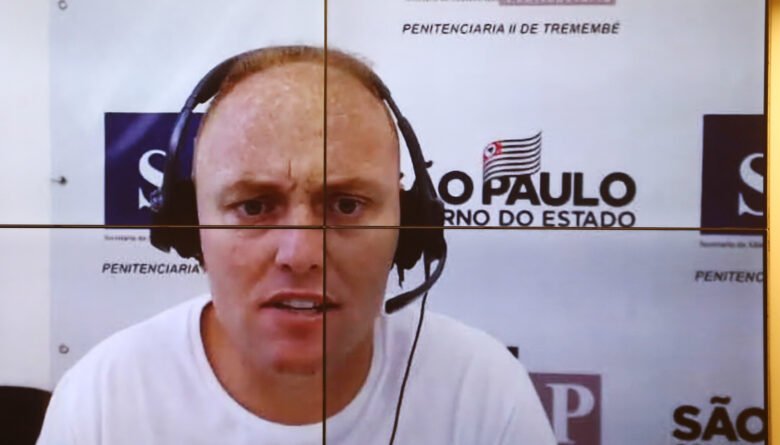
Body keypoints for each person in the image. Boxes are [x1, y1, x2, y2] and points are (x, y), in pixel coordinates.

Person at [36, 46, 557, 445]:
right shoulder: (103, 401)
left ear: (410, 223)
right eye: (253, 207)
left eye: (346, 205)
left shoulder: (484, 392)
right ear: (190, 226)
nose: (300, 254)